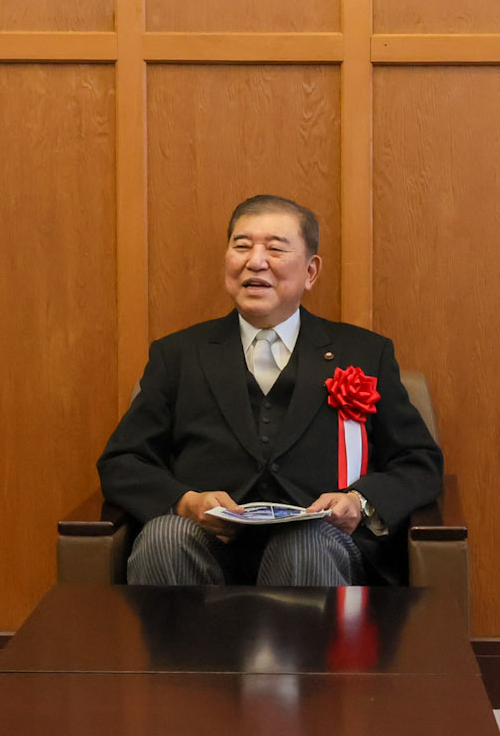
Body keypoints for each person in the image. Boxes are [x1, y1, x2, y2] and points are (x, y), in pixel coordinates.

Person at [98, 195, 443, 588]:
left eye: (275, 248)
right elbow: (122, 461)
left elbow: (420, 460)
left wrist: (359, 502)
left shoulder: (364, 353)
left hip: (321, 546)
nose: (255, 261)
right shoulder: (177, 355)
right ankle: (186, 653)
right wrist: (185, 502)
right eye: (241, 246)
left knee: (301, 547)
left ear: (311, 271)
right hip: (206, 543)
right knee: (164, 538)